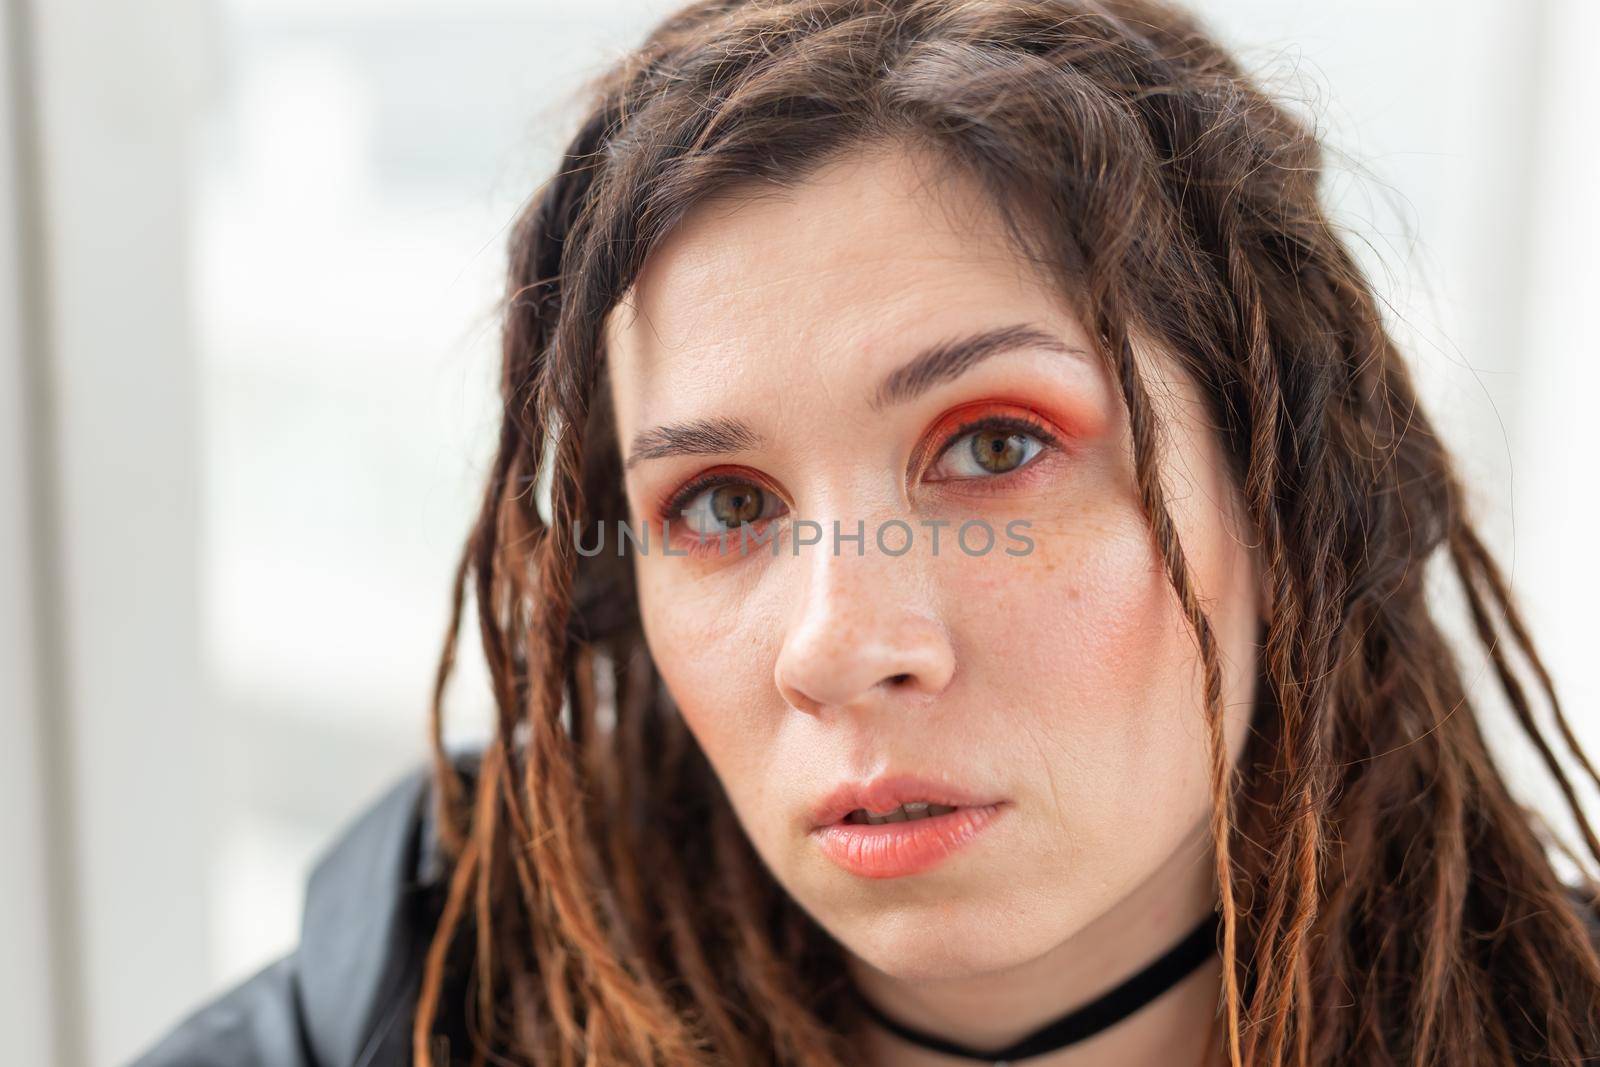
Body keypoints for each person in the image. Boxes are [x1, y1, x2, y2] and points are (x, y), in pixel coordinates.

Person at [130, 0, 1600, 1064]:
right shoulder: (394, 1016)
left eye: (996, 448)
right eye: (719, 505)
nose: (837, 646)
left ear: (1288, 496)